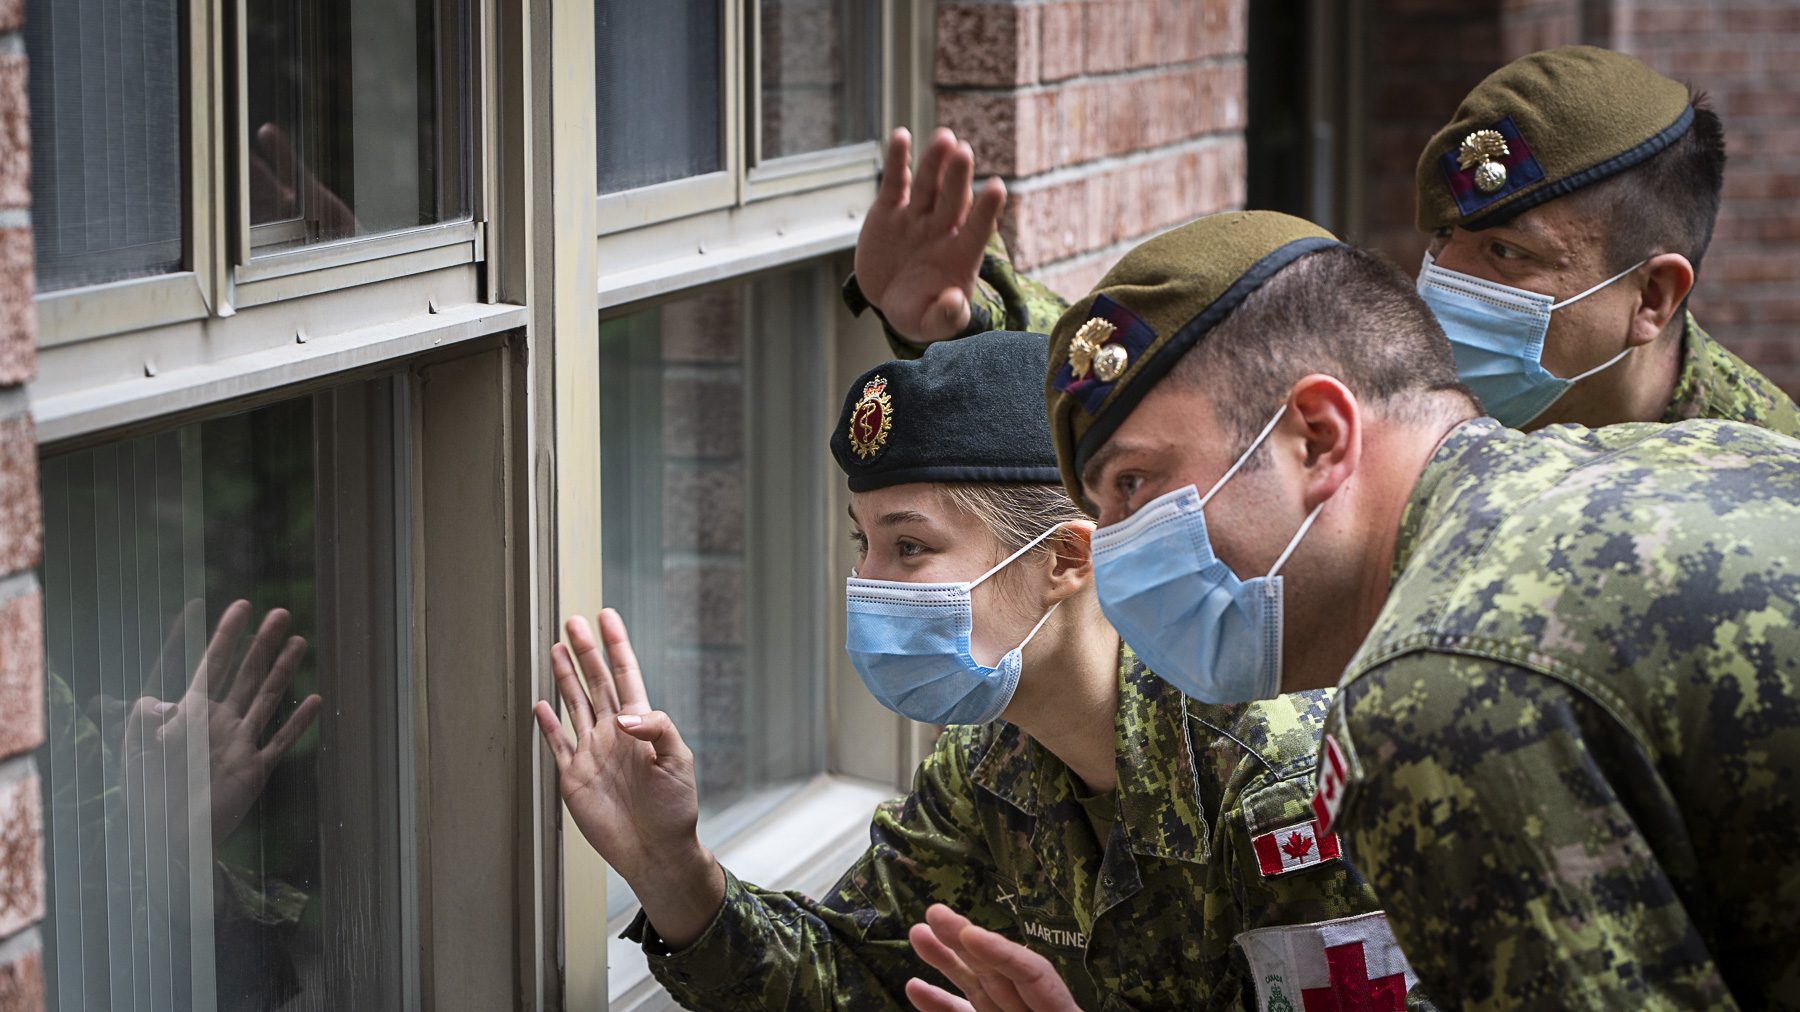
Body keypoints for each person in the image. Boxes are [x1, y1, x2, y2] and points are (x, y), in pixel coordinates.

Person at [917, 209, 1800, 1008]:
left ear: (1320, 438)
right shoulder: (1706, 454)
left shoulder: (1434, 691)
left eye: (1138, 485)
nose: (1114, 550)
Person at [532, 330, 1431, 1009]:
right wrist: (674, 869)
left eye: (911, 546)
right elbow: (853, 977)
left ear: (1067, 560)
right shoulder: (990, 765)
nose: (865, 586)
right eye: (864, 544)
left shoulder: (1282, 780)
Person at [849, 47, 1800, 437]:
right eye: (1446, 237)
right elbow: (1180, 368)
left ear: (1655, 297)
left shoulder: (1765, 494)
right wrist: (967, 315)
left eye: (1509, 255)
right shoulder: (1400, 373)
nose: (1448, 283)